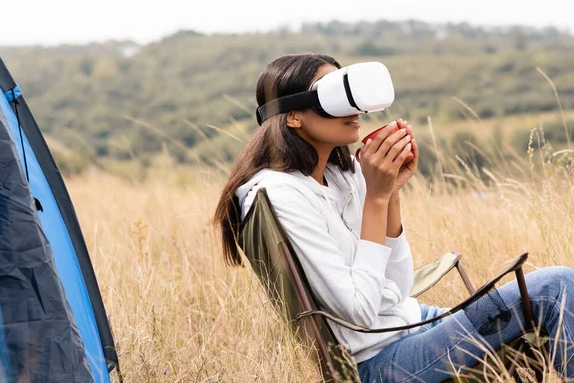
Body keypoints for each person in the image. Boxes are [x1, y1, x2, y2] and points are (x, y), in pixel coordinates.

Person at [214, 53, 574, 382]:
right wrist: (377, 197)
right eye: (336, 96)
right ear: (293, 115)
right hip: (380, 362)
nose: (354, 108)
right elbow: (359, 312)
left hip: (410, 325)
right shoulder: (281, 195)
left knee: (554, 294)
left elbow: (398, 287)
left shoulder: (343, 175)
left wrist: (391, 192)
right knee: (554, 288)